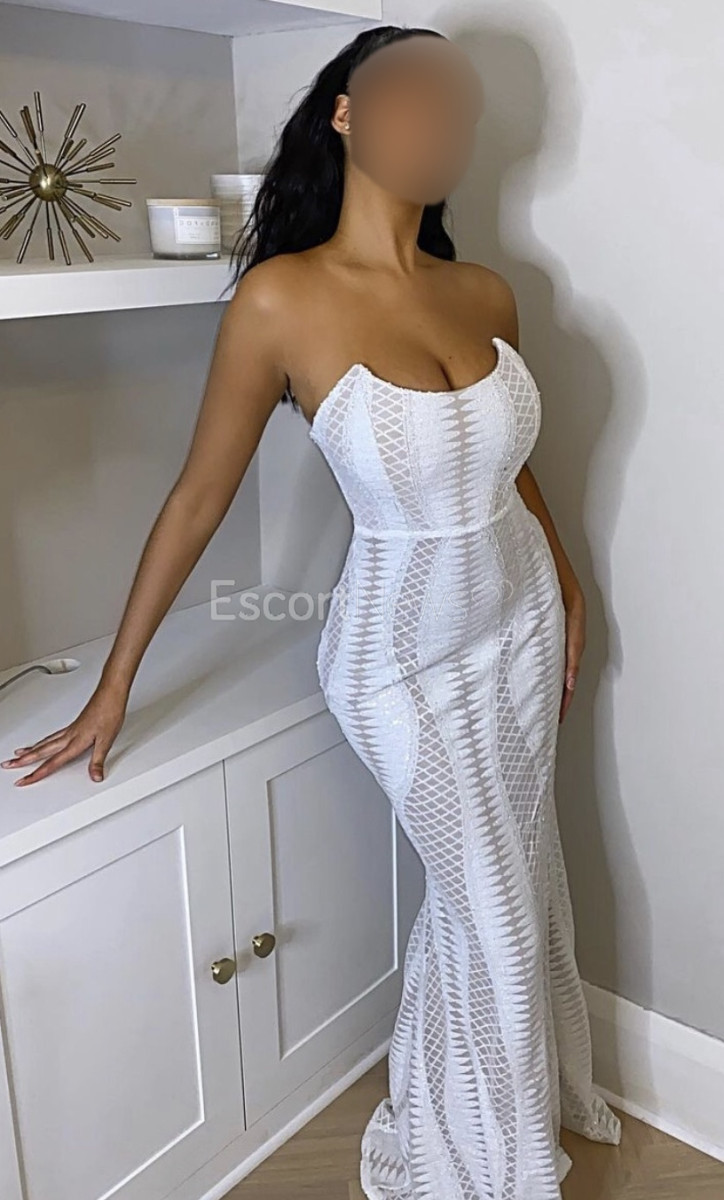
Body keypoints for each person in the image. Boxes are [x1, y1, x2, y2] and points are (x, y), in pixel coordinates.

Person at [1, 24, 621, 1198]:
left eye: (458, 111)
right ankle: (504, 1174)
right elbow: (196, 499)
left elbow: (504, 463)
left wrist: (567, 577)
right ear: (345, 111)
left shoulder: (486, 291)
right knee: (491, 906)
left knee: (510, 880)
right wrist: (113, 687)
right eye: (411, 98)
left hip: (519, 624)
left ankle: (463, 1108)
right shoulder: (279, 302)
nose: (439, 125)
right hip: (396, 659)